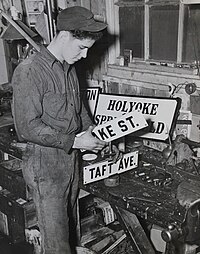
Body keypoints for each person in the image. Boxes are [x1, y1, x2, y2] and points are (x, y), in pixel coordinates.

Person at [11, 6, 118, 254]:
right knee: (56, 242)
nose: (84, 56)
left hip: (70, 162)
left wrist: (93, 130)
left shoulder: (69, 68)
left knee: (71, 228)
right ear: (64, 36)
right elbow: (26, 128)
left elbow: (78, 110)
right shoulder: (30, 71)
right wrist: (76, 142)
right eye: (82, 48)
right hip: (45, 165)